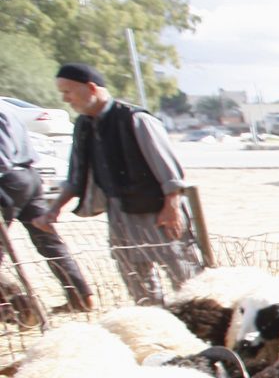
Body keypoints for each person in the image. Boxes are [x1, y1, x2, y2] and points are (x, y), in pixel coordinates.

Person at [39, 63, 201, 304]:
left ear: (91, 88)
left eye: (68, 92)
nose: (65, 99)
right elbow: (77, 175)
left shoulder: (135, 119)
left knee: (185, 277)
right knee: (138, 281)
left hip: (158, 212)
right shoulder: (84, 125)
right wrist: (54, 210)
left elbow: (170, 173)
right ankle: (153, 321)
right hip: (119, 213)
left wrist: (172, 207)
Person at [0, 92, 91, 317]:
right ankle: (80, 295)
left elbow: (2, 159)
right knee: (47, 240)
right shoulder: (7, 107)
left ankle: (20, 308)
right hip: (29, 176)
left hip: (8, 180)